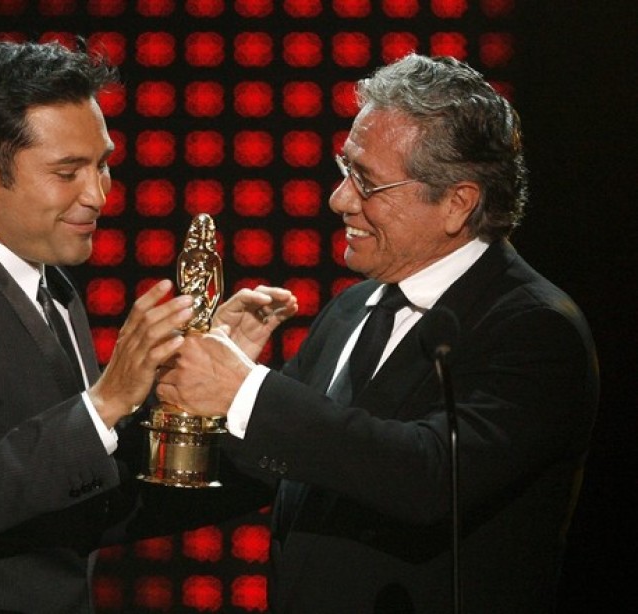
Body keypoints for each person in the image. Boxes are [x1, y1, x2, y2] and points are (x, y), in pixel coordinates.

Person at [0, 40, 290, 613]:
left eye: (102, 164)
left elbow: (80, 490)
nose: (98, 194)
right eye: (67, 172)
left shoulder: (47, 281)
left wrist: (195, 403)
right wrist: (104, 404)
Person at [157, 54, 599, 613]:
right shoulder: (352, 308)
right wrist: (218, 400)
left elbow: (428, 477)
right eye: (345, 170)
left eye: (365, 182)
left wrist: (248, 391)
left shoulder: (534, 329)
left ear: (457, 204)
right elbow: (302, 465)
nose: (338, 199)